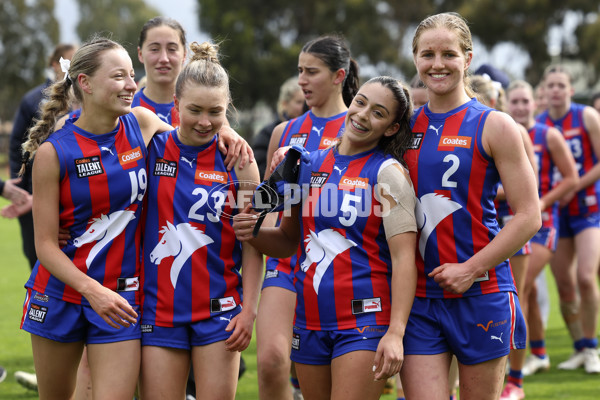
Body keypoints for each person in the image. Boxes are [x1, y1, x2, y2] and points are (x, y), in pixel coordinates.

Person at [18, 36, 249, 400]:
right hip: (63, 294)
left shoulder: (140, 124)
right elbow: (44, 244)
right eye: (119, 76)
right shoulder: (53, 151)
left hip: (123, 300)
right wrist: (92, 291)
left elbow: (192, 130)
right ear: (85, 83)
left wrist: (225, 128)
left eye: (131, 74)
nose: (131, 84)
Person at [234, 75, 418, 400]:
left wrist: (395, 333)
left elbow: (405, 258)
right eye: (360, 102)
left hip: (365, 321)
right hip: (309, 322)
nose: (362, 115)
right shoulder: (306, 163)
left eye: (378, 112)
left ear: (391, 128)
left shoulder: (388, 173)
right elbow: (288, 242)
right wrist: (253, 234)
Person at [400, 12, 541, 400]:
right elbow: (342, 152)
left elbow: (530, 216)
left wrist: (471, 268)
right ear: (415, 59)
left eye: (448, 53)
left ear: (467, 57)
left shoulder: (495, 125)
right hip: (419, 298)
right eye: (427, 54)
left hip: (482, 292)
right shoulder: (401, 127)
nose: (437, 64)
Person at [138, 41, 263, 400]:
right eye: (194, 110)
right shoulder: (150, 145)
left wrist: (249, 311)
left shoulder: (240, 161)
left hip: (220, 310)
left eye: (216, 112)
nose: (205, 122)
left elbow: (252, 243)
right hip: (157, 307)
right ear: (175, 105)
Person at [256, 34, 360, 400]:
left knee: (336, 379)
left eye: (311, 72)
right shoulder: (284, 131)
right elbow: (269, 206)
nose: (301, 80)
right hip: (287, 261)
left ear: (338, 76)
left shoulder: (360, 128)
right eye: (299, 71)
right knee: (270, 361)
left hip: (341, 264)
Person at [502, 80, 578, 398]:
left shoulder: (548, 135)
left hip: (543, 223)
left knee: (520, 289)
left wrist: (542, 203)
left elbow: (571, 178)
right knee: (524, 293)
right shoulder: (500, 130)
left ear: (536, 103)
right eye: (514, 101)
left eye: (525, 101)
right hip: (508, 225)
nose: (520, 107)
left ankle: (514, 374)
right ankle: (539, 353)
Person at [536, 64, 600, 374]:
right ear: (544, 91)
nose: (557, 90)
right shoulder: (539, 124)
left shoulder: (586, 116)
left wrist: (574, 185)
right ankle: (579, 347)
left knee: (586, 277)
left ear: (571, 90)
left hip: (588, 209)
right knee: (564, 284)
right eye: (552, 85)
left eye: (562, 85)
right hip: (557, 213)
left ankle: (592, 347)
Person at [9, 43, 76, 271]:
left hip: (71, 198)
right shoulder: (32, 100)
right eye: (69, 61)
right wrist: (22, 192)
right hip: (33, 196)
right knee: (37, 259)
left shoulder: (86, 98)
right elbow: (17, 145)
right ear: (55, 64)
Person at [253, 76, 305, 178]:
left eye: (305, 101)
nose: (304, 106)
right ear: (285, 104)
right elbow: (262, 171)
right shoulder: (268, 133)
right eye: (299, 102)